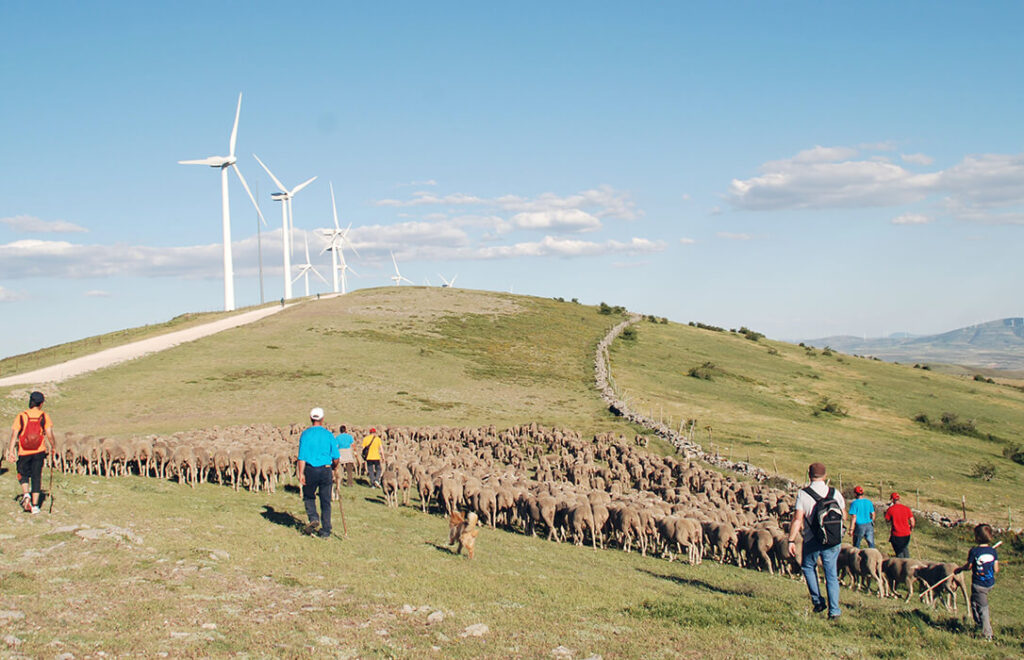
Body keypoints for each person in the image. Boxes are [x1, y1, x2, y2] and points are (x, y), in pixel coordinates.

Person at [787, 462, 845, 620]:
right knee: (831, 574)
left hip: (812, 539)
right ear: (825, 476)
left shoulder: (803, 494)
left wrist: (791, 540)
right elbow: (843, 516)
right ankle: (834, 611)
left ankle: (818, 601)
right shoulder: (835, 493)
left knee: (808, 567)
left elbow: (798, 519)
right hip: (833, 540)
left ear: (809, 475)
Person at [7, 391, 54, 514]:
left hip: (24, 451)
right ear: (41, 403)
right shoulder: (44, 416)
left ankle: (26, 494)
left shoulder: (21, 416)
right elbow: (49, 434)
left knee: (22, 474)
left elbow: (14, 435)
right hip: (39, 451)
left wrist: (11, 451)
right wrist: (53, 446)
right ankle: (35, 506)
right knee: (36, 476)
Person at [296, 407, 339, 539]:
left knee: (309, 496)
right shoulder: (329, 435)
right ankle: (326, 530)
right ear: (323, 419)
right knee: (326, 500)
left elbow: (301, 457)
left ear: (311, 419)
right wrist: (334, 467)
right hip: (326, 469)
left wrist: (301, 473)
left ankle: (314, 518)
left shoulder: (305, 434)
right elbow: (336, 457)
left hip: (310, 469)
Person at [954, 523, 999, 642]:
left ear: (977, 537)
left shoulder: (974, 551)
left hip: (979, 584)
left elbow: (969, 566)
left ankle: (987, 634)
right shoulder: (992, 551)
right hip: (990, 583)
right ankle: (979, 624)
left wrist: (960, 569)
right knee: (974, 602)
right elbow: (996, 569)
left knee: (983, 609)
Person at [884, 492, 915, 558]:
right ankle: (907, 561)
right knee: (905, 548)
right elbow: (912, 522)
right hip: (906, 534)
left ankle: (900, 562)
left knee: (899, 551)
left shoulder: (890, 509)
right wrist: (911, 528)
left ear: (892, 500)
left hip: (896, 534)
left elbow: (887, 520)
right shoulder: (906, 508)